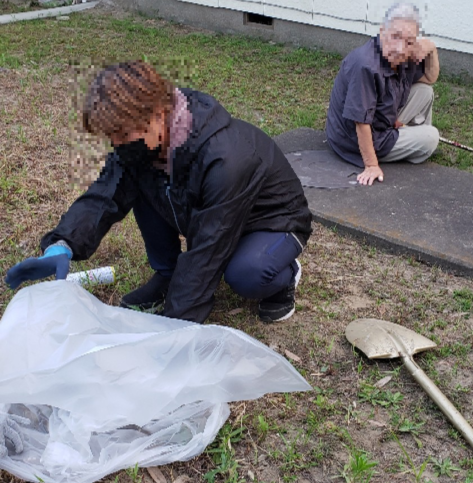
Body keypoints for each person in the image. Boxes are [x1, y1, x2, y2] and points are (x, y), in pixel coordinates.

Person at [5, 61, 312, 324]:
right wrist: (63, 243)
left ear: (158, 113)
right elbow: (105, 194)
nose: (118, 143)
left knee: (246, 273)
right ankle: (167, 275)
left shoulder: (225, 158)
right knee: (138, 182)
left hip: (272, 223)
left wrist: (172, 329)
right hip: (212, 215)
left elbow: (209, 247)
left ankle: (283, 277)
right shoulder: (144, 144)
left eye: (123, 134)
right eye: (112, 137)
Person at [326, 3, 440, 186]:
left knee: (425, 92)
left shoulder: (405, 54)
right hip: (353, 141)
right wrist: (371, 165)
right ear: (382, 31)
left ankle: (406, 136)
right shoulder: (365, 65)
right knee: (431, 137)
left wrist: (432, 50)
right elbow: (361, 122)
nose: (400, 48)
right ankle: (413, 143)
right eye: (395, 37)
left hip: (382, 119)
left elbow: (429, 78)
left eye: (409, 41)